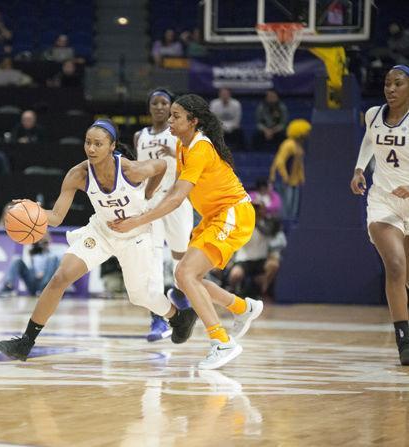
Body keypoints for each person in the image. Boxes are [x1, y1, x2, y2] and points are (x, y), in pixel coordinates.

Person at [0, 119, 198, 362]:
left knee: (140, 297)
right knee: (60, 277)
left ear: (112, 146)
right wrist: (34, 212)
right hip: (101, 231)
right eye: (88, 142)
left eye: (98, 144)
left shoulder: (130, 170)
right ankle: (25, 343)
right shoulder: (77, 175)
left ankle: (179, 317)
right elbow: (57, 217)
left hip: (136, 234)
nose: (91, 148)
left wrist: (148, 193)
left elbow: (162, 166)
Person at [108, 94, 264, 370]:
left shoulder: (200, 148)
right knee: (186, 279)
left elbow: (178, 197)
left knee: (184, 274)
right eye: (170, 115)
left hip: (232, 213)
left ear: (193, 121)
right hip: (214, 216)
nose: (169, 119)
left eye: (176, 115)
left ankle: (222, 341)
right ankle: (243, 308)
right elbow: (170, 189)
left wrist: (139, 219)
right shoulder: (182, 146)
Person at [350, 64, 409, 366]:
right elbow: (370, 139)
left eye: (398, 83)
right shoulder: (373, 114)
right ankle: (405, 342)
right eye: (388, 83)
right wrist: (360, 168)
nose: (391, 88)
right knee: (396, 267)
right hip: (383, 201)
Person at [135, 88, 195, 342]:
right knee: (152, 259)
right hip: (151, 201)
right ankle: (158, 319)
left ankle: (180, 294)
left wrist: (174, 155)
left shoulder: (181, 135)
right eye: (155, 103)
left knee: (180, 255)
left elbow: (195, 166)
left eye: (164, 103)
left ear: (171, 108)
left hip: (177, 198)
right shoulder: (140, 136)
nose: (159, 107)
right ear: (149, 107)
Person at [226, 201, 286, 300]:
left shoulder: (268, 224)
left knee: (273, 265)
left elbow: (269, 232)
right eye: (255, 208)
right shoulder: (243, 223)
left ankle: (263, 289)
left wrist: (257, 220)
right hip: (245, 259)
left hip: (261, 259)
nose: (257, 210)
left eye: (259, 208)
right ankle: (232, 292)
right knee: (235, 274)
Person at [269, 119, 311, 220]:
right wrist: (285, 177)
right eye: (306, 133)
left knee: (293, 209)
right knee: (285, 208)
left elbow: (299, 165)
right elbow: (279, 162)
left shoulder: (299, 146)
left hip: (294, 181)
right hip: (284, 181)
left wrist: (301, 178)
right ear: (301, 133)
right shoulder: (288, 144)